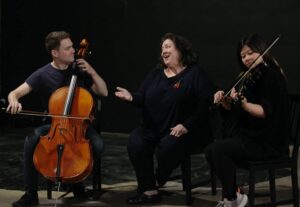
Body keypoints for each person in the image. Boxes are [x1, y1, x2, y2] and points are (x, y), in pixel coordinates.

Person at [7, 31, 108, 207]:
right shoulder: (42, 74)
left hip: (79, 125)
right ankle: (30, 194)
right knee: (30, 142)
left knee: (98, 145)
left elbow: (103, 92)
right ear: (55, 53)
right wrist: (14, 101)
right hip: (53, 125)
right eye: (68, 48)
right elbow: (14, 93)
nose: (74, 51)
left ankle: (75, 181)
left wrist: (92, 71)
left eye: (73, 47)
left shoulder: (80, 69)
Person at [115, 32, 214, 204]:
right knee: (135, 141)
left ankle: (158, 178)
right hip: (153, 128)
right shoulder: (155, 74)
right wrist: (131, 97)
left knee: (167, 147)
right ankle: (149, 190)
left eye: (168, 47)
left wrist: (187, 125)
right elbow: (141, 97)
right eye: (162, 48)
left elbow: (205, 105)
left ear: (181, 50)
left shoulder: (195, 73)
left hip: (184, 130)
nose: (163, 51)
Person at [205, 33, 289, 207]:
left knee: (218, 150)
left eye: (250, 53)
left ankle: (232, 198)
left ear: (261, 51)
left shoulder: (271, 75)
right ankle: (234, 194)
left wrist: (244, 104)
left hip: (268, 142)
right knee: (214, 149)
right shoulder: (248, 77)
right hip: (251, 137)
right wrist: (225, 101)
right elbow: (235, 110)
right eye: (243, 56)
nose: (246, 59)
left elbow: (264, 112)